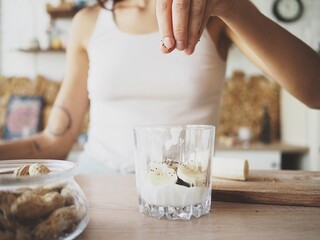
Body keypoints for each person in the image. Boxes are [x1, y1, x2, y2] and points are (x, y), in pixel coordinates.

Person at [0, 0, 319, 173]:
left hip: (186, 193)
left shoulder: (216, 13)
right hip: (98, 183)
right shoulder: (89, 21)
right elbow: (52, 144)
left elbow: (315, 91)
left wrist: (232, 6)